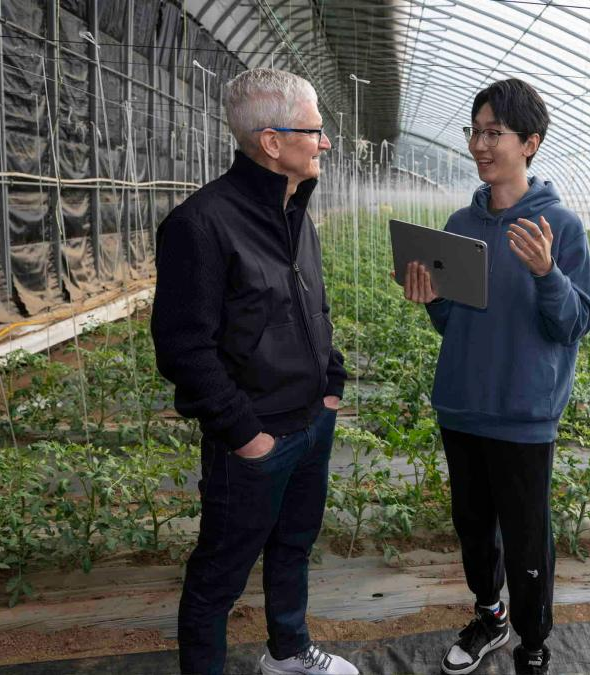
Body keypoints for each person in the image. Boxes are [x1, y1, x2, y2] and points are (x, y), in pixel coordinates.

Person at [151, 68, 357, 675]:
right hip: (254, 440)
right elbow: (183, 348)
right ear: (272, 142)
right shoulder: (200, 224)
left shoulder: (295, 211)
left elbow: (312, 308)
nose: (324, 143)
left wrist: (331, 387)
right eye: (314, 131)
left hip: (311, 423)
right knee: (218, 577)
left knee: (293, 547)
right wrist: (246, 435)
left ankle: (288, 653)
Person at [401, 78, 590, 675]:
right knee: (473, 528)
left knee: (527, 540)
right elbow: (454, 324)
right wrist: (432, 298)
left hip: (522, 415)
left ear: (529, 144)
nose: (480, 145)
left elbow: (575, 323)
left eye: (495, 134)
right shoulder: (460, 223)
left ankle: (533, 646)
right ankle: (490, 617)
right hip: (462, 405)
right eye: (475, 132)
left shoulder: (559, 226)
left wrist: (547, 272)